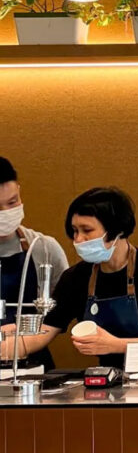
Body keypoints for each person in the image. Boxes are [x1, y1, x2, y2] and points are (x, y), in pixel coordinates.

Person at [3, 187, 138, 369]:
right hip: (107, 380)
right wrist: (10, 341)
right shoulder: (76, 278)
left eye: (87, 230)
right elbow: (46, 329)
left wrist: (115, 345)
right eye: (74, 231)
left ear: (117, 231)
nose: (78, 239)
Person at [0, 157, 69, 370]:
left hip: (33, 364)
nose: (5, 213)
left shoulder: (44, 248)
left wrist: (27, 337)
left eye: (12, 203)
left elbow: (65, 309)